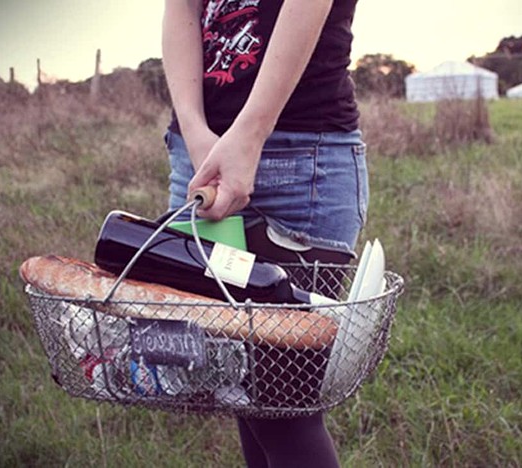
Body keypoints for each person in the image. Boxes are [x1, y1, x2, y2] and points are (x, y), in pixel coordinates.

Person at [161, 0, 367, 466]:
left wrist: (248, 135)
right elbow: (182, 8)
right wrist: (195, 133)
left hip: (300, 157)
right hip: (198, 155)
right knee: (244, 390)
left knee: (282, 403)